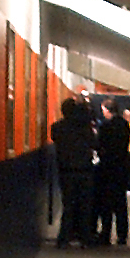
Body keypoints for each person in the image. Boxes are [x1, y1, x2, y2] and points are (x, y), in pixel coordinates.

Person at [49, 97, 96, 248]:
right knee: (84, 205)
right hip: (85, 170)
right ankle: (85, 238)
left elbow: (56, 140)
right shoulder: (85, 128)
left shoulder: (57, 127)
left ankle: (64, 238)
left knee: (68, 205)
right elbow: (94, 144)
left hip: (66, 171)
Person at [94, 98, 130, 246]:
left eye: (104, 110)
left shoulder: (106, 126)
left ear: (107, 110)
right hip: (122, 168)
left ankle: (106, 234)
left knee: (106, 204)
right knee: (121, 203)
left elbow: (99, 145)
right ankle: (122, 235)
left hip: (108, 168)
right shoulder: (124, 125)